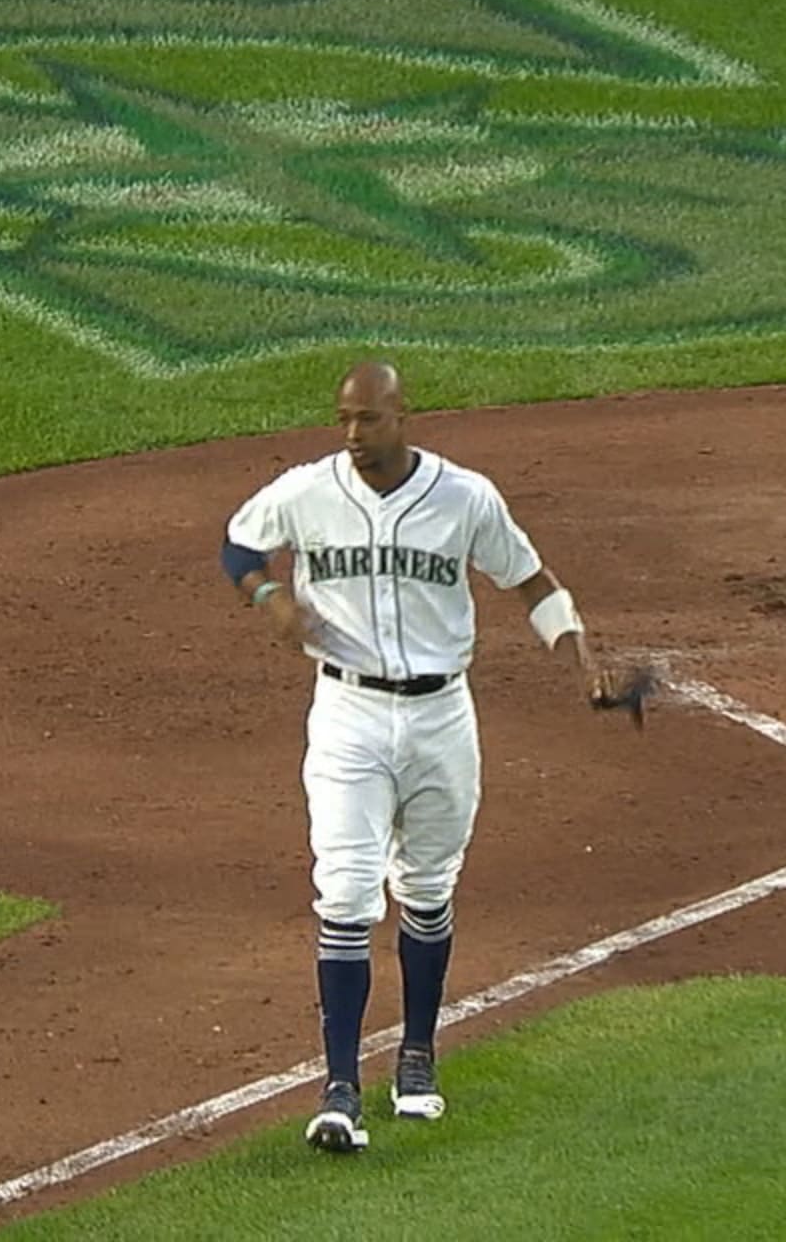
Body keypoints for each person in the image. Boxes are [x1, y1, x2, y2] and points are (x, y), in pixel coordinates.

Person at [221, 360, 628, 1153]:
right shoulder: (306, 491)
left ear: (403, 415)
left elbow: (532, 581)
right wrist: (271, 599)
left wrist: (580, 658)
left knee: (429, 887)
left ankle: (417, 1057)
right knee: (343, 889)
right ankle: (339, 1089)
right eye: (344, 419)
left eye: (368, 419)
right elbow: (239, 547)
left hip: (442, 715)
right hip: (348, 714)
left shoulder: (464, 498)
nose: (353, 434)